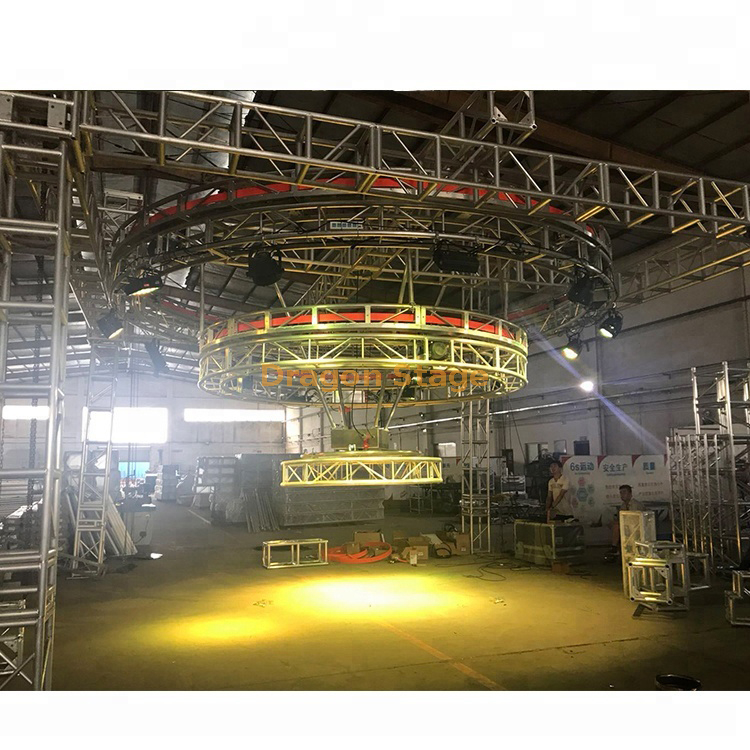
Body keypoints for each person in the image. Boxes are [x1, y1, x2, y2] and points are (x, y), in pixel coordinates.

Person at [610, 484, 642, 554]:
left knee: (616, 526)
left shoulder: (635, 505)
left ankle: (614, 547)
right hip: (627, 526)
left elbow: (634, 519)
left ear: (630, 494)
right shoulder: (623, 505)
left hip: (636, 527)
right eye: (621, 493)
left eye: (624, 492)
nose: (622, 495)